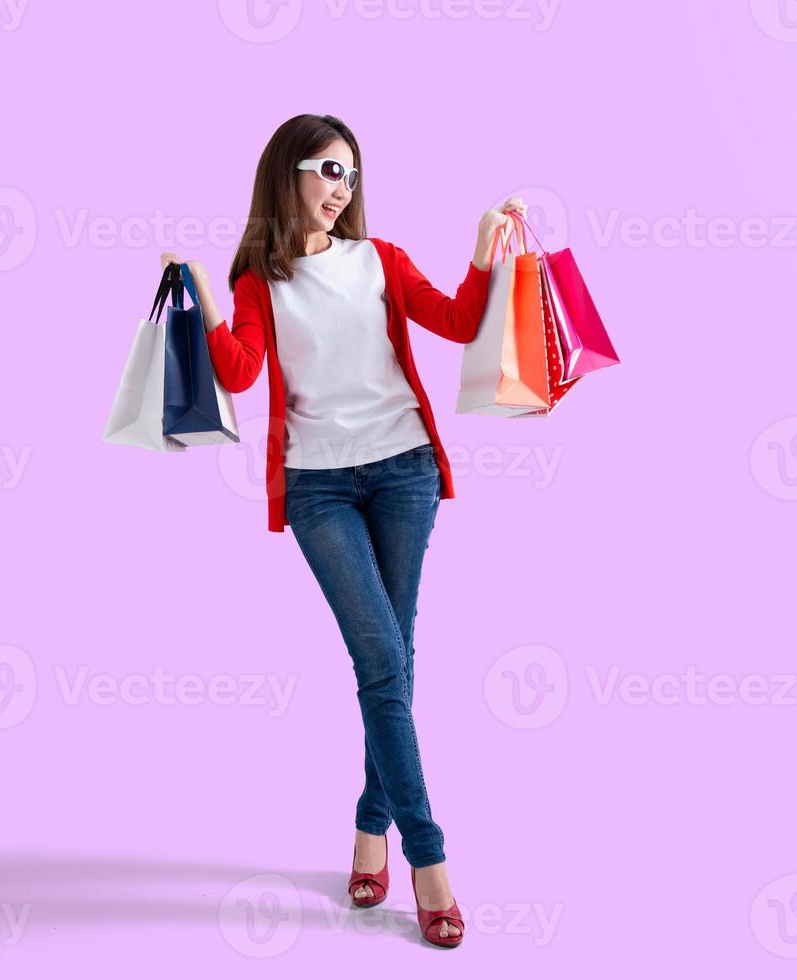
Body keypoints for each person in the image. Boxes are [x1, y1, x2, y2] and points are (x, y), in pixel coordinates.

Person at [161, 112, 525, 949]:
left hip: (404, 474)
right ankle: (429, 863)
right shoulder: (261, 278)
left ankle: (369, 834)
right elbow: (241, 372)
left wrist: (480, 246)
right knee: (383, 661)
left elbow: (461, 322)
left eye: (351, 176)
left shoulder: (382, 260)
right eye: (327, 170)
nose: (340, 189)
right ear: (287, 172)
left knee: (389, 662)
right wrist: (208, 297)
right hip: (319, 488)